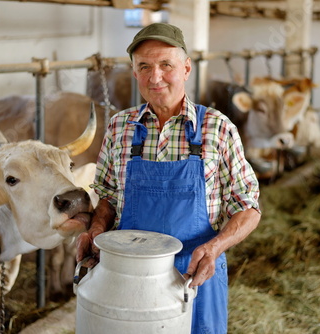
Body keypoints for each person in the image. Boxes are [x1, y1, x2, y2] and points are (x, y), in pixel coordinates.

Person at [76, 22, 261, 334]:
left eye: (166, 65)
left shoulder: (217, 128)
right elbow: (107, 195)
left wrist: (216, 247)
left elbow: (248, 206)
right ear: (135, 73)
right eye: (144, 66)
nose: (155, 77)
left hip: (196, 275)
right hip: (127, 278)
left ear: (186, 68)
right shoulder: (120, 128)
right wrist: (95, 230)